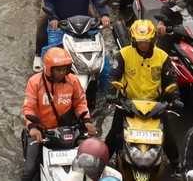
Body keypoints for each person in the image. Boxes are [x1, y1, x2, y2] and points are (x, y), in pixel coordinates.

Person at [105, 19, 182, 172]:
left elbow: (171, 80)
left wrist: (175, 98)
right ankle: (103, 162)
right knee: (114, 135)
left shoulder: (162, 57)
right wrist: (111, 94)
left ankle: (177, 165)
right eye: (140, 41)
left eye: (146, 41)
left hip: (155, 105)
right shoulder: (124, 54)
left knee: (168, 138)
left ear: (153, 40)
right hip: (128, 103)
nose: (143, 44)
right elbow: (113, 77)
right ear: (133, 40)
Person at [21, 47, 96, 181]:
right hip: (42, 133)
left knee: (93, 161)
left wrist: (87, 121)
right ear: (49, 68)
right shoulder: (35, 82)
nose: (62, 73)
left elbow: (80, 103)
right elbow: (28, 107)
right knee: (29, 171)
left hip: (66, 132)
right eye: (58, 70)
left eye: (64, 69)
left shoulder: (72, 80)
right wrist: (32, 127)